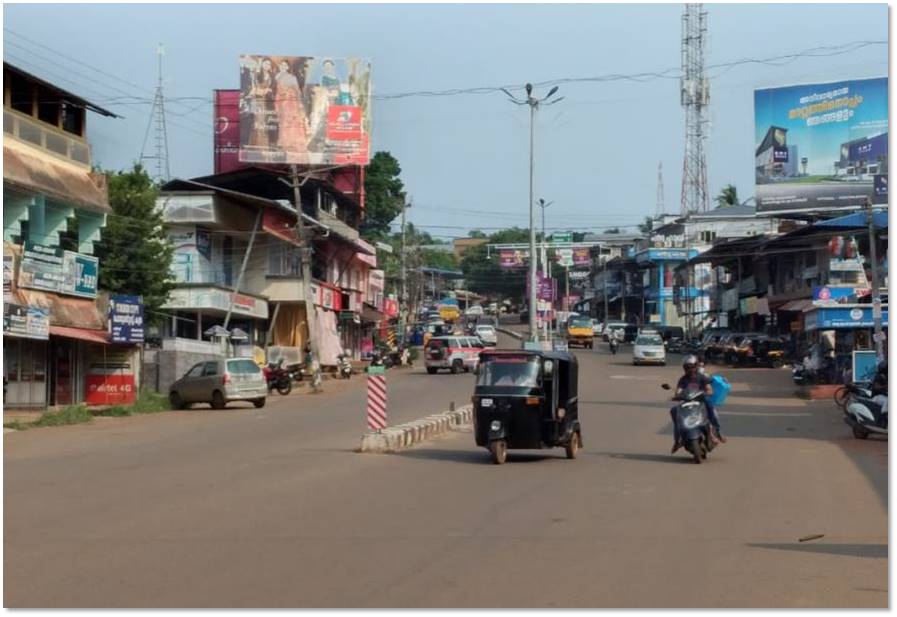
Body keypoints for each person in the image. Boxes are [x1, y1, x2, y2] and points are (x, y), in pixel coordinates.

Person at [670, 354, 727, 454]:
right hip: (687, 402)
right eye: (687, 367)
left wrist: (706, 392)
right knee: (674, 411)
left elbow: (709, 389)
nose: (689, 369)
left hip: (701, 401)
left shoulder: (702, 377)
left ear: (696, 366)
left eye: (691, 367)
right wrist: (676, 396)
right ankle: (677, 441)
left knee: (711, 409)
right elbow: (678, 391)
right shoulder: (683, 379)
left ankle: (717, 432)